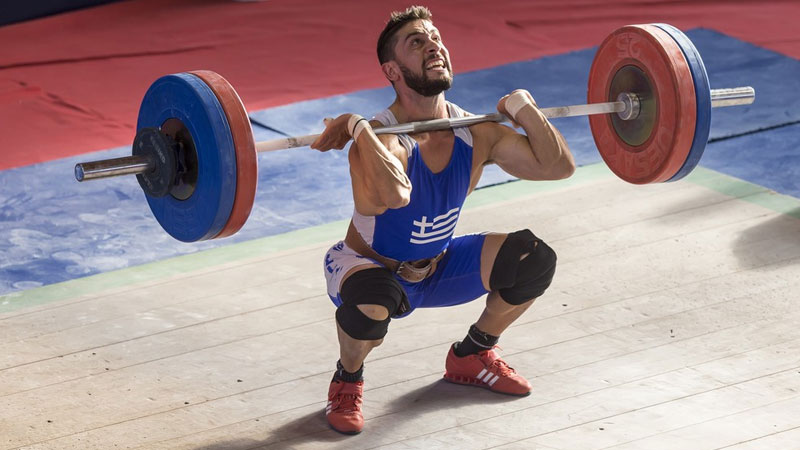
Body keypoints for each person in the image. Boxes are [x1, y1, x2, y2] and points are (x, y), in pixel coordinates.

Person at [310, 5, 575, 435]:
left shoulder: (477, 130)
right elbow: (396, 193)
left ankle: (472, 354)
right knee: (373, 303)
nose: (433, 45)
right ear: (392, 70)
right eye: (417, 41)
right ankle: (347, 378)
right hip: (368, 270)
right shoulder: (384, 137)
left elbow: (557, 167)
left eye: (435, 37)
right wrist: (360, 128)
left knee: (533, 258)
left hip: (438, 266)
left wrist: (523, 107)